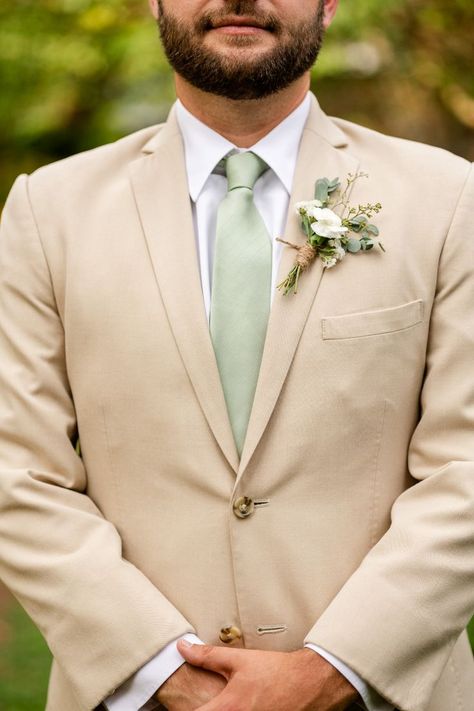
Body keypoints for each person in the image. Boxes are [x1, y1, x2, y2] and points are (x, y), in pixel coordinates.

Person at [0, 0, 473, 709]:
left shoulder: (450, 201)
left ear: (330, 2)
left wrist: (333, 669)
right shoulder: (47, 212)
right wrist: (166, 673)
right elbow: (19, 474)